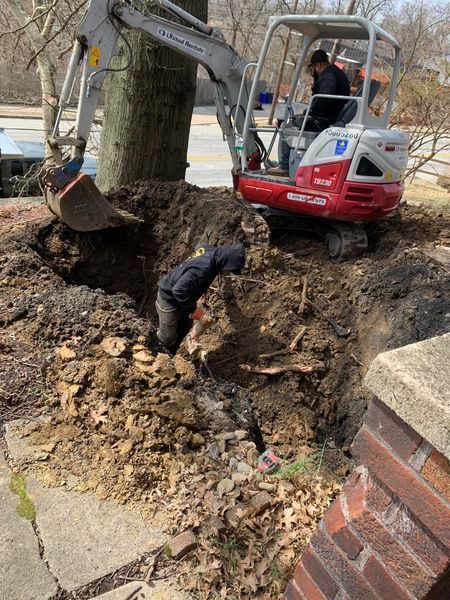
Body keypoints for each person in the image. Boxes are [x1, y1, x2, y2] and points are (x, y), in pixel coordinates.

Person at [268, 49, 350, 176]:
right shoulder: (336, 73)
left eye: (313, 69)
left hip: (323, 120)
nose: (314, 73)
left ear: (318, 65)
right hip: (331, 117)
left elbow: (324, 98)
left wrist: (308, 111)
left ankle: (284, 166)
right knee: (295, 123)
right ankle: (289, 162)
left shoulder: (328, 76)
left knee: (286, 127)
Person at [156, 243, 246, 355]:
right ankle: (154, 352)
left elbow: (199, 246)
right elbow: (178, 290)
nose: (228, 272)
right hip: (169, 298)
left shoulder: (210, 250)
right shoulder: (203, 270)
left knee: (185, 328)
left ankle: (170, 354)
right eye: (230, 268)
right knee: (167, 336)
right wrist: (198, 313)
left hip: (182, 298)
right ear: (226, 261)